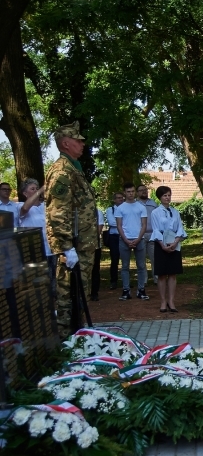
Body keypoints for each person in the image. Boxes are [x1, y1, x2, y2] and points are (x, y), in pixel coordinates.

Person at [44, 121, 98, 334]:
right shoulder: (62, 171)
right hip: (74, 245)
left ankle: (78, 334)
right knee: (68, 295)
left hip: (83, 243)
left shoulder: (73, 167)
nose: (82, 144)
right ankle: (67, 340)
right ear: (66, 143)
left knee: (80, 293)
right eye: (78, 140)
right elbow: (58, 212)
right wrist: (67, 247)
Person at [150, 186, 187, 313]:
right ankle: (162, 301)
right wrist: (163, 246)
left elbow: (180, 228)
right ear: (160, 197)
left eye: (169, 195)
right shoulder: (155, 213)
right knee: (161, 274)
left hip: (174, 244)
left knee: (172, 273)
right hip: (161, 245)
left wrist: (176, 242)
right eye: (165, 195)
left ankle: (171, 300)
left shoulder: (175, 211)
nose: (167, 197)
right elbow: (155, 229)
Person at [17, 178, 56, 296]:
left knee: (53, 282)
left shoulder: (47, 206)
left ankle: (54, 310)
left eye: (37, 188)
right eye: (32, 189)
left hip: (51, 250)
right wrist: (40, 191)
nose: (36, 191)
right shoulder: (19, 206)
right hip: (35, 253)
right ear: (25, 193)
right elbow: (24, 209)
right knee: (38, 285)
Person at [115, 183, 149, 301]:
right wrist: (125, 239)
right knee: (125, 266)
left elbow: (144, 225)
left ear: (135, 192)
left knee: (141, 265)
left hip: (139, 239)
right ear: (125, 193)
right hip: (124, 240)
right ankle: (126, 290)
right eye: (128, 191)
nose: (130, 193)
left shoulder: (141, 207)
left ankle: (141, 290)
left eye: (132, 191)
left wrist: (138, 239)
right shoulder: (120, 208)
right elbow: (119, 225)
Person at [137, 184, 158, 284]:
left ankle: (157, 279)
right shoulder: (135, 204)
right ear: (137, 193)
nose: (144, 192)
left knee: (154, 258)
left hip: (152, 234)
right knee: (141, 260)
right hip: (140, 236)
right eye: (141, 190)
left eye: (145, 190)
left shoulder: (153, 203)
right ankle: (143, 280)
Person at [105, 192, 124, 290]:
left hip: (124, 236)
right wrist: (123, 224)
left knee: (125, 259)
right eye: (118, 198)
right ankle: (113, 281)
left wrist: (120, 223)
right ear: (114, 199)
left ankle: (126, 281)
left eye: (122, 198)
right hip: (114, 237)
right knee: (114, 259)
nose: (120, 199)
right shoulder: (110, 210)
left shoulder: (126, 209)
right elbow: (111, 222)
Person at [89, 207, 103, 300]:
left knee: (95, 269)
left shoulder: (98, 212)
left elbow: (99, 228)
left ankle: (94, 292)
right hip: (79, 247)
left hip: (94, 245)